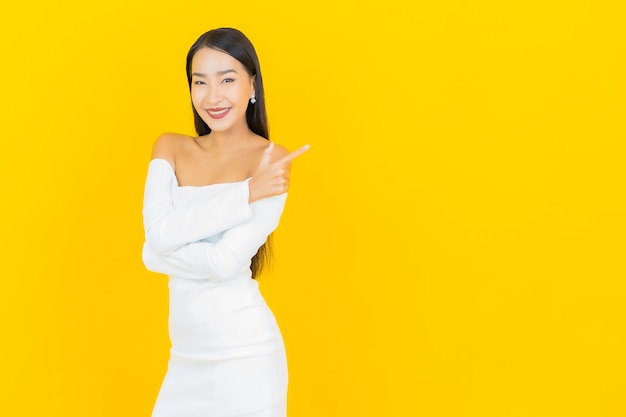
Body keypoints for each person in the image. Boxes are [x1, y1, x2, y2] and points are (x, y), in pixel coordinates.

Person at [141, 27, 308, 417]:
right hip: (184, 359)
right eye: (200, 82)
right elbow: (156, 236)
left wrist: (160, 253)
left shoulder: (271, 160)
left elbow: (222, 263)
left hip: (244, 358)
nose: (212, 96)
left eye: (227, 80)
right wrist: (245, 194)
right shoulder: (171, 148)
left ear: (252, 85)